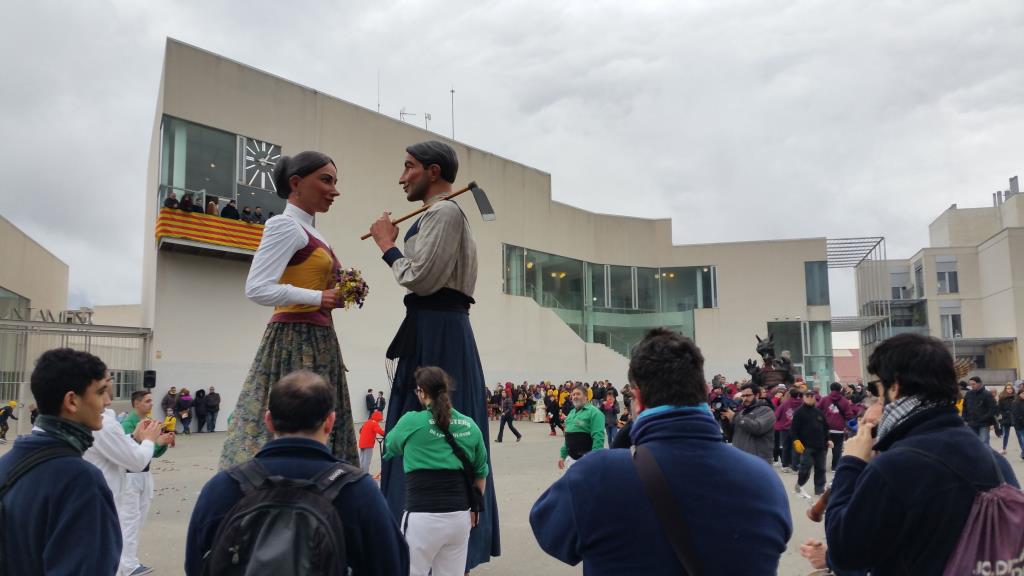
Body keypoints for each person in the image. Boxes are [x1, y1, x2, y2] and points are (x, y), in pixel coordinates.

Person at [531, 329, 791, 574]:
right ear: (705, 392)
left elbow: (548, 529)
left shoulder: (595, 476)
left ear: (638, 399)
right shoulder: (764, 482)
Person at [369, 140, 499, 569]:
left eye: (408, 167)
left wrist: (388, 245)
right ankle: (414, 532)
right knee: (424, 423)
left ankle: (424, 535)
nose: (402, 176)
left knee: (438, 421)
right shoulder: (438, 215)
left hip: (439, 332)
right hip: (435, 329)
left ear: (434, 170)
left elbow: (420, 277)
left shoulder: (444, 213)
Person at [824, 333, 1019, 574]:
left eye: (878, 388)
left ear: (895, 386)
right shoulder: (992, 458)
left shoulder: (896, 466)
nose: (876, 399)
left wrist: (851, 464)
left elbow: (845, 554)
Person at [188, 371, 408, 575]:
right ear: (330, 421)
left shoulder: (223, 487)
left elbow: (195, 566)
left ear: (268, 420)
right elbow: (393, 566)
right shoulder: (358, 492)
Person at [219, 151, 358, 468]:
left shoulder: (312, 231)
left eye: (335, 182)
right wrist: (318, 298)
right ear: (296, 182)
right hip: (296, 339)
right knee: (300, 423)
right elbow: (257, 287)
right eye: (326, 180)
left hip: (319, 339)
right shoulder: (285, 225)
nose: (334, 190)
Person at [0, 348, 122, 575]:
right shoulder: (81, 481)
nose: (107, 402)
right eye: (101, 392)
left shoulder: (7, 464)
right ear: (72, 401)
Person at [384, 367, 487, 576]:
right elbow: (481, 472)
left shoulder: (411, 421)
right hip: (459, 518)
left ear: (421, 392)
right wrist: (474, 507)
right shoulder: (470, 425)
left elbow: (390, 446)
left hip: (422, 517)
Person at [120, 390, 175, 576]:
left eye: (151, 401)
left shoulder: (150, 423)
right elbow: (130, 452)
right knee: (129, 520)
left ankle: (130, 560)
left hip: (144, 474)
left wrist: (163, 442)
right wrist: (154, 442)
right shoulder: (128, 424)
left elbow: (153, 453)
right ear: (136, 403)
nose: (151, 404)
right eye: (147, 401)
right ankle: (127, 565)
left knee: (139, 519)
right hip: (130, 477)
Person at [790, 390, 831, 497]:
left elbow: (825, 428)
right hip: (806, 446)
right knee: (805, 467)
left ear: (814, 397)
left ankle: (819, 489)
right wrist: (796, 440)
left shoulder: (819, 412)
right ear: (803, 398)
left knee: (821, 468)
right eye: (807, 396)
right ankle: (799, 484)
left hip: (820, 445)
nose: (809, 397)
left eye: (811, 396)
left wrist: (828, 439)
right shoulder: (799, 412)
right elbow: (793, 429)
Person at [724, 384, 776, 464]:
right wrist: (725, 420)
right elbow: (730, 436)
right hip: (740, 459)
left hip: (759, 461)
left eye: (748, 395)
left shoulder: (766, 411)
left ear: (757, 395)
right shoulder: (741, 413)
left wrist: (735, 417)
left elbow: (758, 428)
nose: (745, 399)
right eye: (743, 396)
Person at [558, 385, 604, 470]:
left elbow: (598, 438)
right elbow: (568, 437)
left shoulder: (595, 413)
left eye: (578, 394)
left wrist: (594, 459)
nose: (575, 396)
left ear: (586, 397)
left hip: (586, 459)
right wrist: (562, 455)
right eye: (573, 394)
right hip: (570, 459)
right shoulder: (571, 413)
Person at [818, 381, 855, 470]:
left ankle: (821, 466)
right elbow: (849, 415)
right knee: (837, 449)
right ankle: (835, 466)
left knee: (823, 448)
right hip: (839, 428)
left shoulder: (824, 399)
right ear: (840, 389)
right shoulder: (844, 401)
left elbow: (818, 410)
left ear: (830, 389)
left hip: (825, 428)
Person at [774, 388, 803, 472]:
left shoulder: (784, 404)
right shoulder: (802, 404)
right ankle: (795, 467)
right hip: (798, 429)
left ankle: (785, 466)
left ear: (790, 395)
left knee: (785, 447)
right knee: (796, 448)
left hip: (785, 429)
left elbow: (776, 415)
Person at [963, 375, 997, 444]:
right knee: (974, 443)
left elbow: (993, 409)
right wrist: (965, 419)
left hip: (984, 424)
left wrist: (984, 418)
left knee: (984, 442)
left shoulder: (987, 394)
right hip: (971, 423)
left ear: (979, 383)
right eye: (970, 384)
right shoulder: (968, 394)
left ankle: (986, 454)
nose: (972, 386)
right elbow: (965, 407)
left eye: (973, 384)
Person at [997, 382, 1016, 455]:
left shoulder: (1016, 397)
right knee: (1006, 434)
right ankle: (1004, 448)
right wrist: (1002, 416)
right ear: (1005, 389)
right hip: (1006, 418)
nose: (1009, 390)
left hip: (1015, 417)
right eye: (1008, 388)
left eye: (1010, 388)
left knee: (1019, 434)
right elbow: (999, 408)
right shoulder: (1002, 397)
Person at [1012, 387, 1024, 460]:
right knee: (1022, 439)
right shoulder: (1015, 403)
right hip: (1019, 424)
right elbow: (1016, 414)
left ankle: (1023, 453)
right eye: (1023, 393)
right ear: (1019, 394)